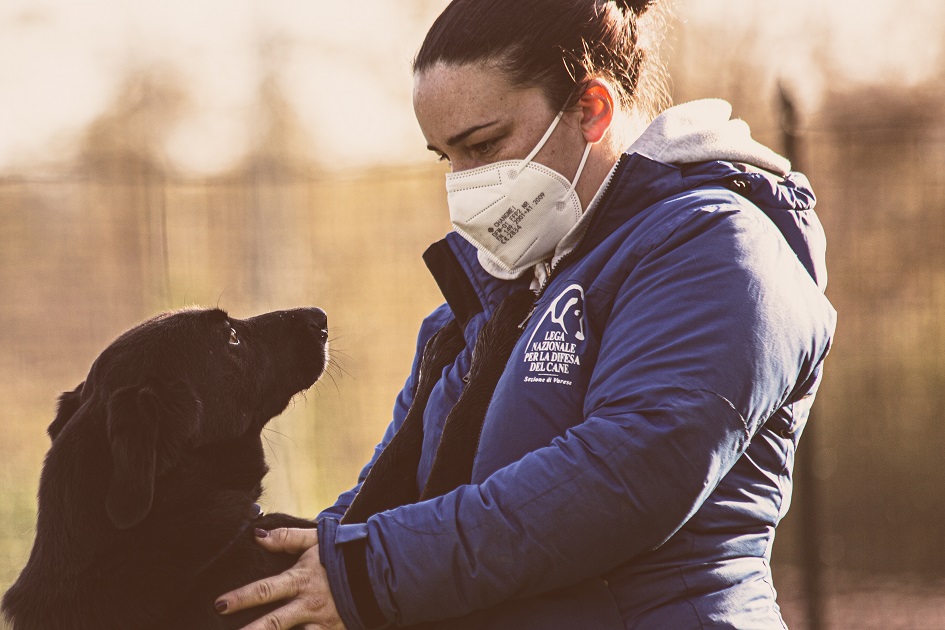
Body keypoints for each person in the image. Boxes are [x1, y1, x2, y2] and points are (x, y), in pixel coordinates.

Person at [215, 0, 837, 628]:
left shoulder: (717, 247)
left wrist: (366, 572)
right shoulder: (484, 296)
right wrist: (271, 568)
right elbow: (390, 502)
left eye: (483, 144)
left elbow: (627, 476)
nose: (461, 184)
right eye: (444, 156)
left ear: (591, 109)